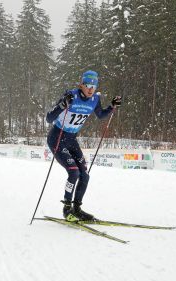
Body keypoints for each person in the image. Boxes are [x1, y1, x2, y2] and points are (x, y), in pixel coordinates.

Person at [45, 70, 122, 221]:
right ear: (81, 84)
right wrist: (62, 105)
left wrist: (112, 106)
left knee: (84, 175)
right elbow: (49, 118)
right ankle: (67, 210)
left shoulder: (94, 99)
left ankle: (77, 209)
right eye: (87, 85)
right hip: (57, 137)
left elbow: (100, 115)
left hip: (71, 139)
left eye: (93, 86)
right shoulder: (71, 96)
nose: (90, 89)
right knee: (73, 173)